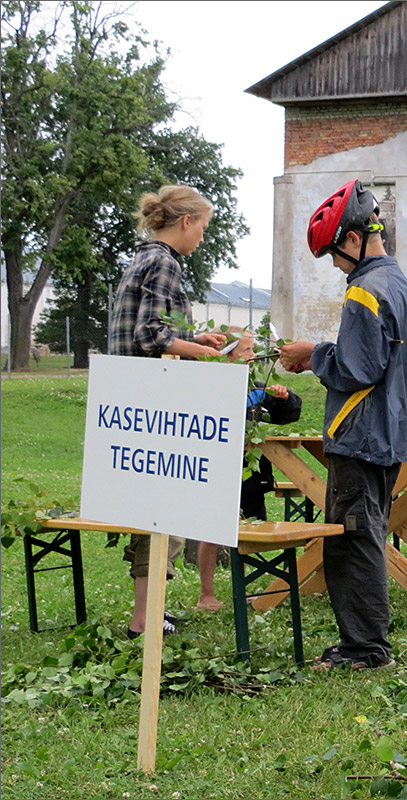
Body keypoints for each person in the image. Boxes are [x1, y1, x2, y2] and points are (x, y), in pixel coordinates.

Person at [278, 179, 407, 672]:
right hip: (387, 433)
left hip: (358, 437)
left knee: (353, 543)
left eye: (335, 254)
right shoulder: (397, 281)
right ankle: (365, 643)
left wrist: (309, 354)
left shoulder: (364, 289)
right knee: (365, 537)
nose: (335, 266)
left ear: (354, 239)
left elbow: (358, 368)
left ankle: (365, 650)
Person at [109, 184, 227, 637]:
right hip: (153, 400)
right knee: (166, 513)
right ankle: (145, 618)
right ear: (185, 222)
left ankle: (148, 611)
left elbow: (150, 330)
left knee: (151, 514)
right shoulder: (165, 263)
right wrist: (207, 356)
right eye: (202, 228)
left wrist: (196, 340)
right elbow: (150, 337)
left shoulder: (141, 258)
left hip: (133, 397)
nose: (201, 238)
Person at [190, 333, 305, 611]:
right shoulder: (208, 387)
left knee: (252, 531)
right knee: (213, 532)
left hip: (251, 476)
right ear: (227, 354)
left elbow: (286, 413)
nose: (252, 354)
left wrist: (286, 397)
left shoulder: (256, 390)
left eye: (252, 349)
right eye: (246, 350)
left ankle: (247, 591)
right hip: (218, 472)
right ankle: (206, 595)